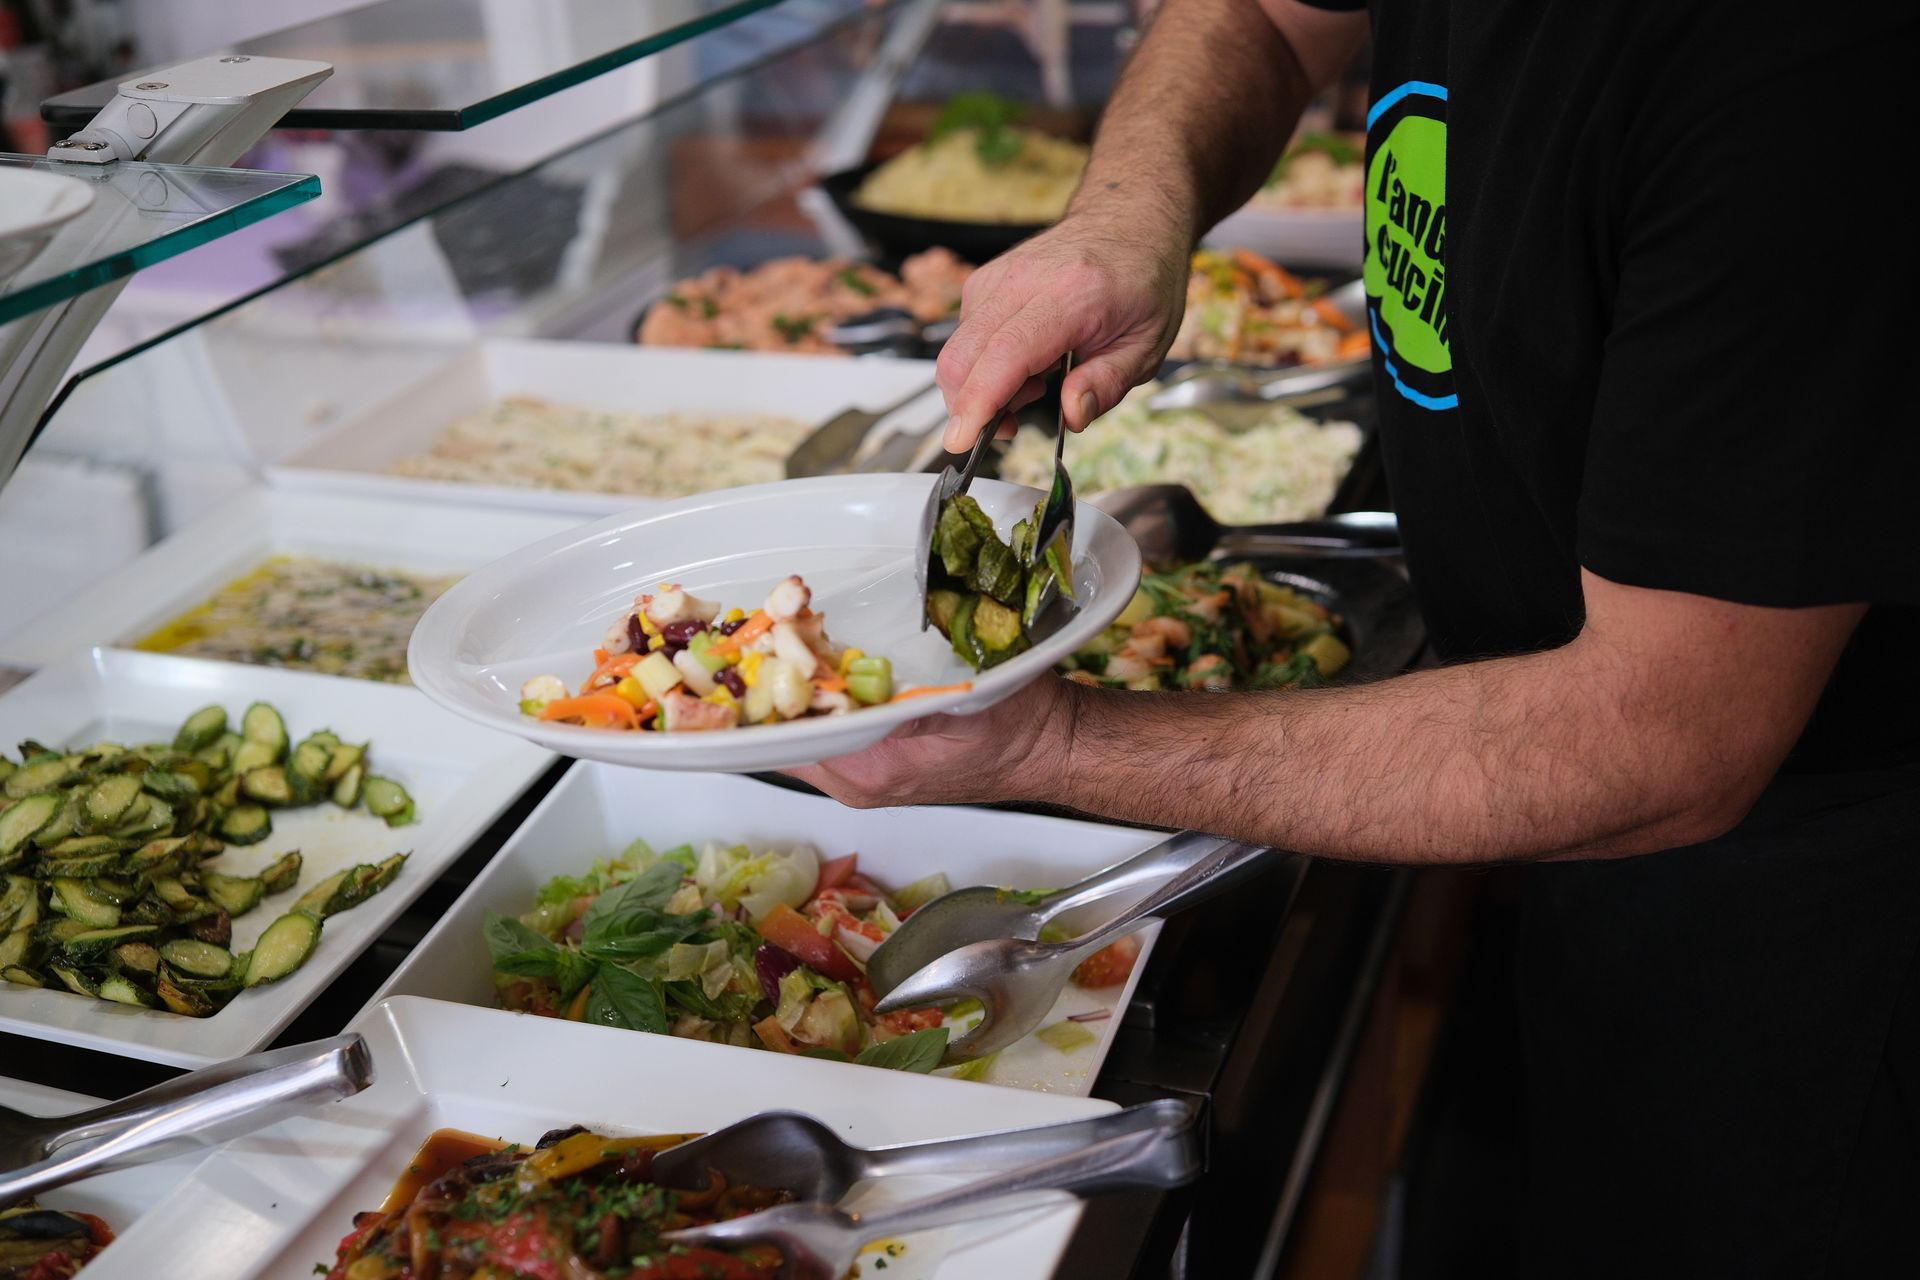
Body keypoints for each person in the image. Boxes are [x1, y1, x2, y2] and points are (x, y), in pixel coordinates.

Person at [794, 0, 1920, 1272]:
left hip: (1810, 911)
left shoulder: (1810, 80)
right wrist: (1132, 210)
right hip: (1544, 791)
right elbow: (1268, 20)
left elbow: (1667, 733)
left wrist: (1049, 740)